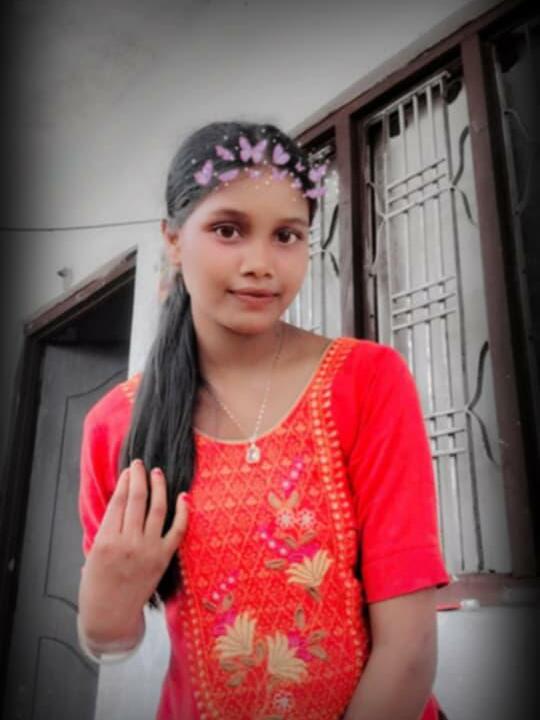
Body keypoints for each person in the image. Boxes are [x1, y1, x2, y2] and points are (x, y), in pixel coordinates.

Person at [77, 120, 452, 720]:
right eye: (228, 230)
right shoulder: (117, 424)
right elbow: (111, 643)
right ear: (173, 239)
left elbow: (408, 649)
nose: (260, 263)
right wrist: (103, 610)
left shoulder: (367, 382)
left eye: (286, 235)